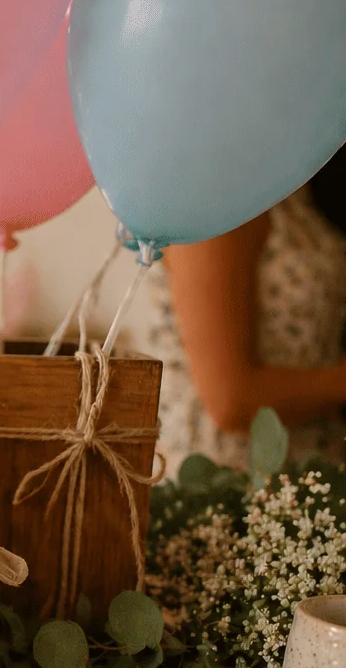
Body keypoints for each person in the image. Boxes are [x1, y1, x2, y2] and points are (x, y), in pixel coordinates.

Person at [147, 146, 346, 471]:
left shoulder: (292, 186)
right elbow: (231, 400)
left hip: (311, 472)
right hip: (231, 483)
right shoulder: (212, 197)